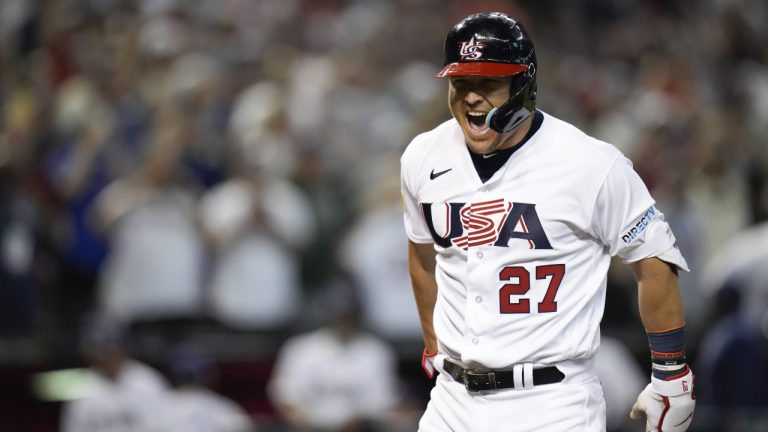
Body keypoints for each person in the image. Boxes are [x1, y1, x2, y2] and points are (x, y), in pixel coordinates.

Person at [400, 12, 695, 432]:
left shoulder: (591, 163)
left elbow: (653, 260)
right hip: (452, 401)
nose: (471, 98)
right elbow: (422, 250)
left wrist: (671, 373)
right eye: (461, 83)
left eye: (487, 84)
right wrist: (433, 342)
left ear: (523, 85)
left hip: (550, 402)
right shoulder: (423, 155)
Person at [267, 274, 399, 431]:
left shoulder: (376, 351)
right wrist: (314, 426)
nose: (342, 320)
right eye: (338, 313)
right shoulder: (299, 348)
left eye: (348, 314)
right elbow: (286, 398)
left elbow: (381, 404)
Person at [60, 315, 170, 432]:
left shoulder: (148, 382)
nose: (109, 357)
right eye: (102, 351)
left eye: (113, 349)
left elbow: (166, 426)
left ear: (123, 348)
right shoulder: (80, 389)